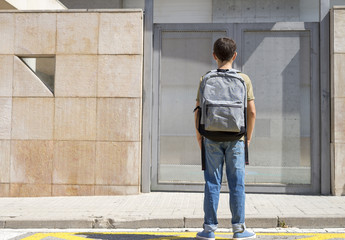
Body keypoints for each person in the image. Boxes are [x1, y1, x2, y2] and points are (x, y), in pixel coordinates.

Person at [194, 37, 256, 240]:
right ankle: (239, 230)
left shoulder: (205, 78)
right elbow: (252, 112)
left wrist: (199, 136)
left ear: (214, 56)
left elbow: (197, 111)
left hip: (210, 137)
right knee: (237, 183)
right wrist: (248, 138)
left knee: (212, 182)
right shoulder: (244, 79)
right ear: (235, 55)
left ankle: (209, 230)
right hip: (237, 137)